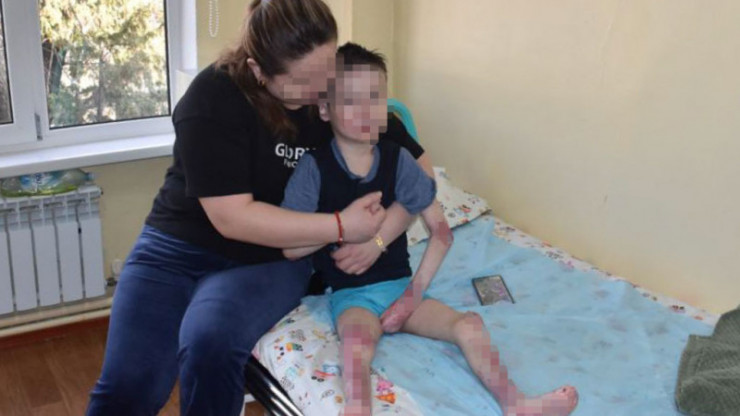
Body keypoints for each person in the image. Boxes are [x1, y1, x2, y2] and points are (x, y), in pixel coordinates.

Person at [85, 1, 432, 415]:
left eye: (327, 69)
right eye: (303, 81)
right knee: (129, 383)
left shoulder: (340, 94)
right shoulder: (212, 98)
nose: (320, 89)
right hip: (175, 247)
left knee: (209, 343)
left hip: (268, 262)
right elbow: (232, 218)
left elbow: (423, 175)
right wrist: (341, 226)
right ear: (258, 70)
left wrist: (377, 240)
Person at [281, 43, 580, 416]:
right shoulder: (313, 168)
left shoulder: (400, 161)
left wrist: (411, 296)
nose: (366, 110)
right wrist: (341, 228)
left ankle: (517, 404)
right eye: (351, 100)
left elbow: (441, 233)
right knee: (356, 348)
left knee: (469, 325)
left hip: (400, 288)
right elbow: (290, 248)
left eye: (375, 97)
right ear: (325, 108)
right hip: (352, 297)